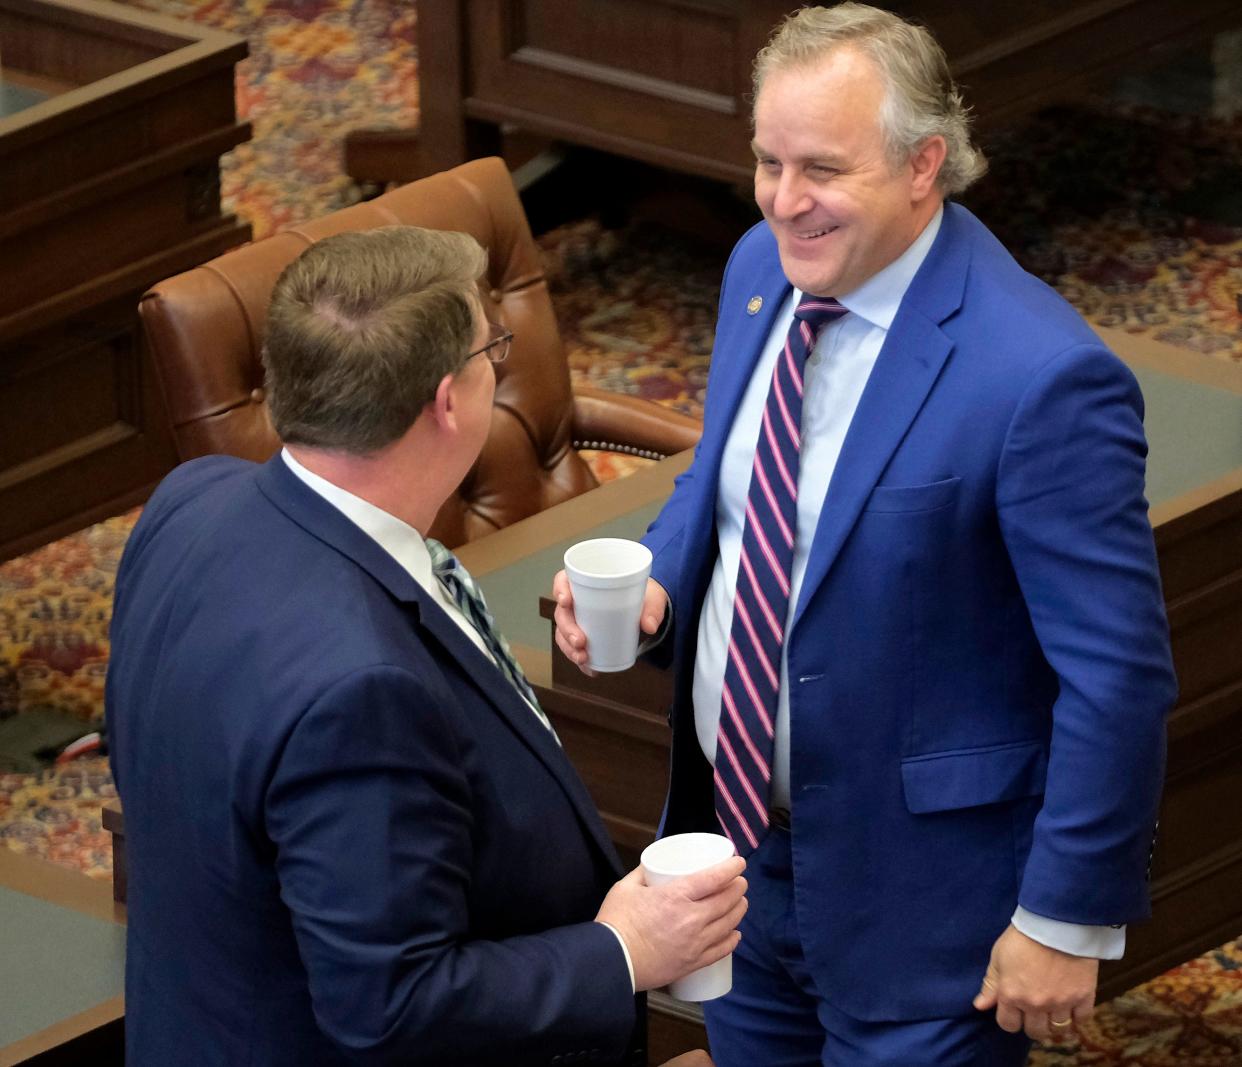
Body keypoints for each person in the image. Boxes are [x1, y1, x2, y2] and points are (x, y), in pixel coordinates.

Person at [552, 5, 1177, 1064]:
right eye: (766, 161)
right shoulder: (762, 267)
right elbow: (728, 470)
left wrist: (1060, 918)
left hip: (922, 908)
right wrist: (659, 573)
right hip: (738, 865)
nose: (785, 202)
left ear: (924, 163)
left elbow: (1118, 674)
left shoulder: (1040, 380)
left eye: (823, 170)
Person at [105, 225, 746, 1067]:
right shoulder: (362, 692)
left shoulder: (191, 501)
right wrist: (622, 946)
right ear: (448, 399)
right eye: (494, 350)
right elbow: (391, 1005)